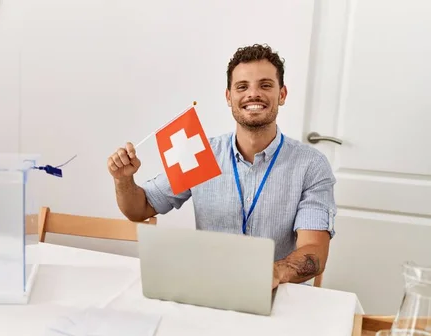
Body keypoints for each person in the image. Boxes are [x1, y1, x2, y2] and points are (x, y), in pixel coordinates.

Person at [107, 44, 336, 289]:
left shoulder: (310, 165)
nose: (253, 94)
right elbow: (140, 209)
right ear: (229, 97)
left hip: (279, 293)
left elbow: (314, 252)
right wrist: (123, 180)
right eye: (242, 86)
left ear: (282, 94)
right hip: (210, 290)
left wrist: (274, 272)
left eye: (265, 85)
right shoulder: (201, 153)